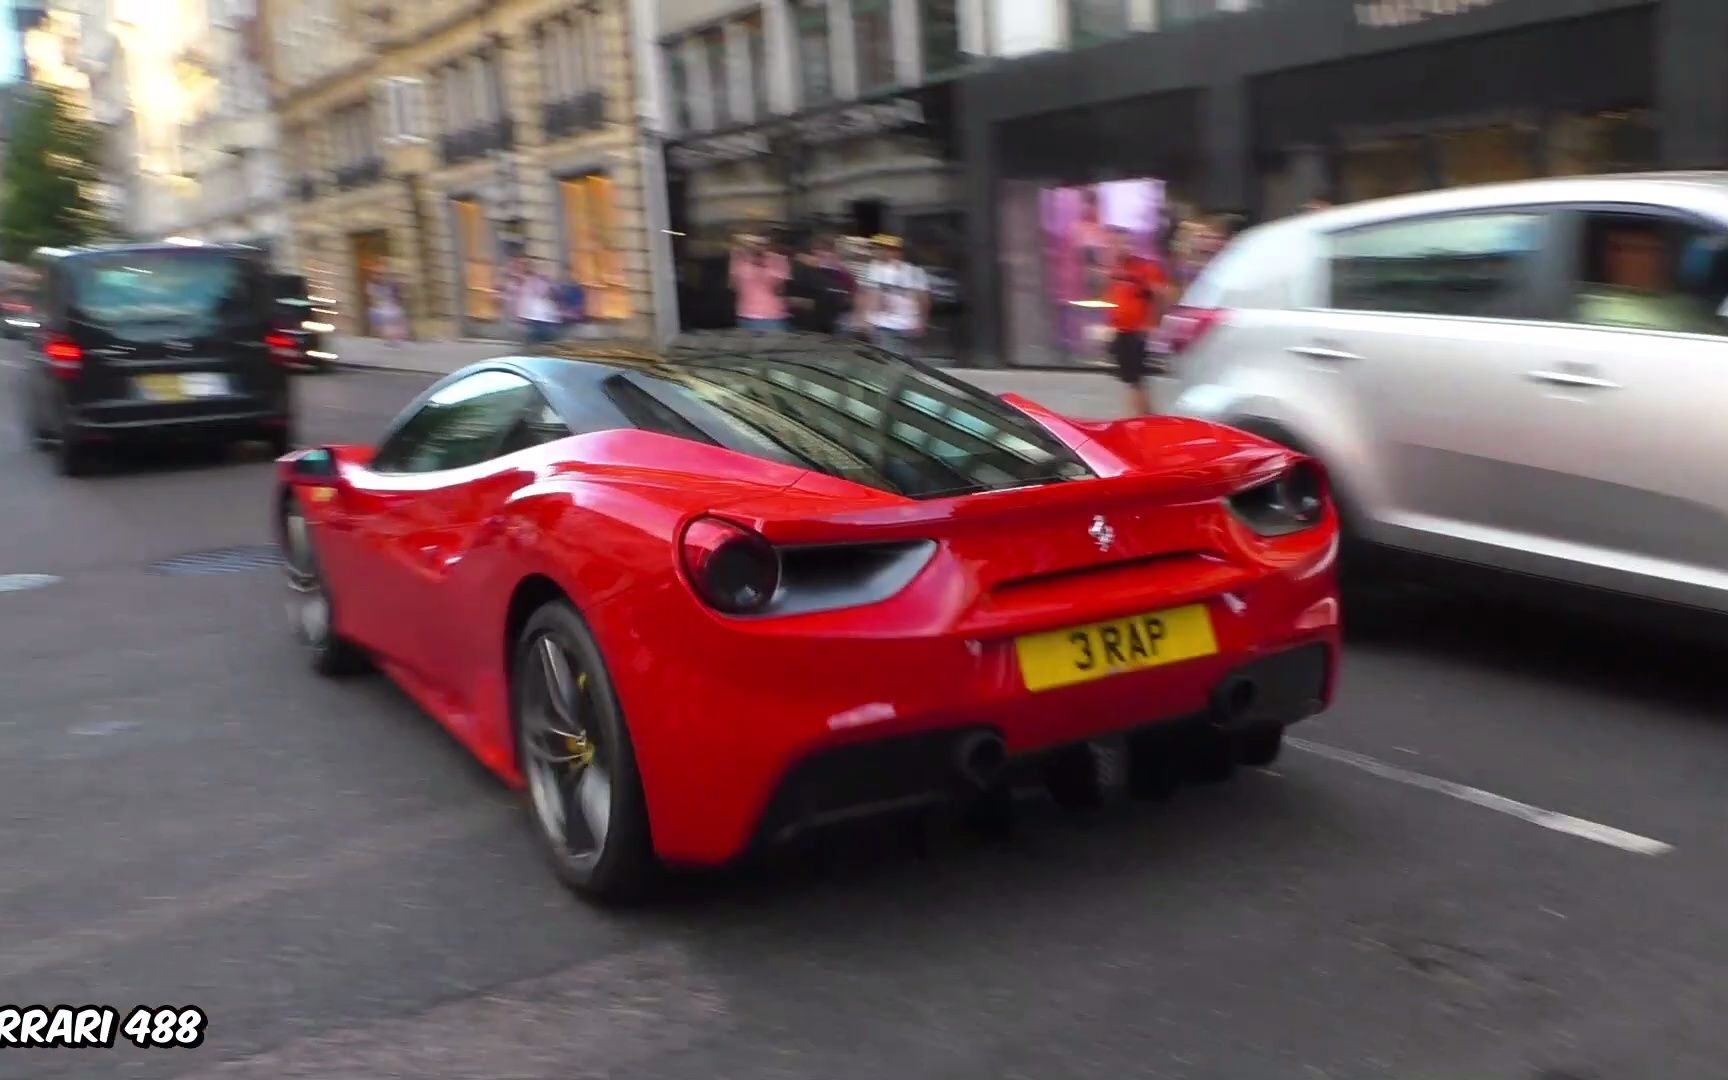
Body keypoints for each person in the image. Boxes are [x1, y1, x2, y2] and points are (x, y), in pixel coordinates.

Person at [1102, 228, 1170, 417]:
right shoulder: (1115, 270)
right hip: (1121, 330)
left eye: (1123, 243)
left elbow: (1160, 296)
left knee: (1135, 380)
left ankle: (1143, 418)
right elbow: (1113, 297)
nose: (1119, 247)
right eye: (1114, 243)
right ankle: (1142, 416)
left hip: (1136, 332)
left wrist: (1152, 325)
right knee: (1132, 381)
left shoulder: (1144, 269)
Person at [858, 234, 930, 354]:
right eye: (879, 249)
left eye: (888, 249)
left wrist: (922, 321)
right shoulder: (872, 269)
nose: (882, 252)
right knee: (888, 359)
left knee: (908, 361)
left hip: (908, 325)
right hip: (883, 325)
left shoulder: (914, 272)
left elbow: (924, 298)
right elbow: (864, 295)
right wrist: (862, 319)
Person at [787, 235, 854, 334]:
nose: (819, 254)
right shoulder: (801, 269)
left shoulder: (840, 273)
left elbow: (848, 297)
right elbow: (792, 296)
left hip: (829, 325)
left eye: (826, 250)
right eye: (816, 250)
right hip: (802, 325)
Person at [730, 234, 791, 331]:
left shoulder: (777, 261)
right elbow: (734, 284)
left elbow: (778, 288)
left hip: (768, 316)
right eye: (755, 244)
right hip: (753, 315)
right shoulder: (740, 259)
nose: (757, 247)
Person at [513, 261, 562, 346]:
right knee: (536, 345)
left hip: (546, 320)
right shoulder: (531, 282)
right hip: (535, 320)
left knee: (545, 346)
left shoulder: (549, 284)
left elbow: (553, 296)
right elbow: (538, 293)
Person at [367, 270, 408, 347]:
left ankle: (396, 337)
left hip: (390, 306)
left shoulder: (389, 285)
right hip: (382, 307)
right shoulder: (372, 286)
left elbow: (395, 296)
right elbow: (374, 298)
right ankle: (388, 336)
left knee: (396, 316)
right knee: (375, 314)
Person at [556, 271, 588, 339]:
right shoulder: (561, 288)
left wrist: (570, 313)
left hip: (572, 319)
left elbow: (580, 306)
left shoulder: (577, 290)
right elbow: (558, 302)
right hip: (564, 319)